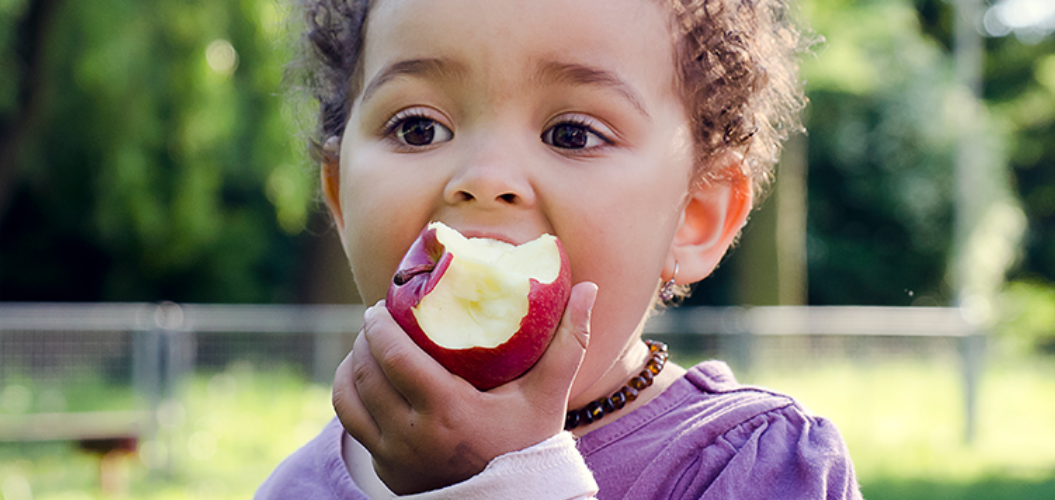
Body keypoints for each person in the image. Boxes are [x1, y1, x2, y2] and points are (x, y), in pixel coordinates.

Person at [257, 0, 862, 497]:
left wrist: (503, 484)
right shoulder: (298, 488)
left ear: (694, 216)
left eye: (571, 134)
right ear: (339, 197)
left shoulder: (755, 470)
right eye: (419, 128)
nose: (486, 177)